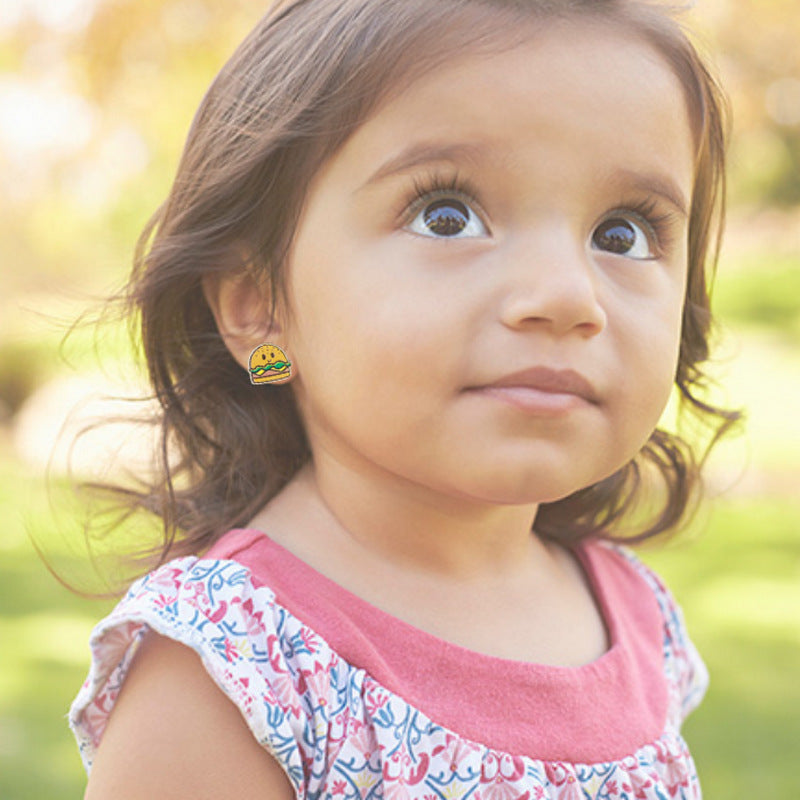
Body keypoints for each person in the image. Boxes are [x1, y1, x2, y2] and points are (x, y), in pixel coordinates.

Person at [69, 0, 740, 797]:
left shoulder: (634, 613)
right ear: (259, 308)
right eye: (447, 215)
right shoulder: (234, 666)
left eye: (623, 232)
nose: (567, 295)